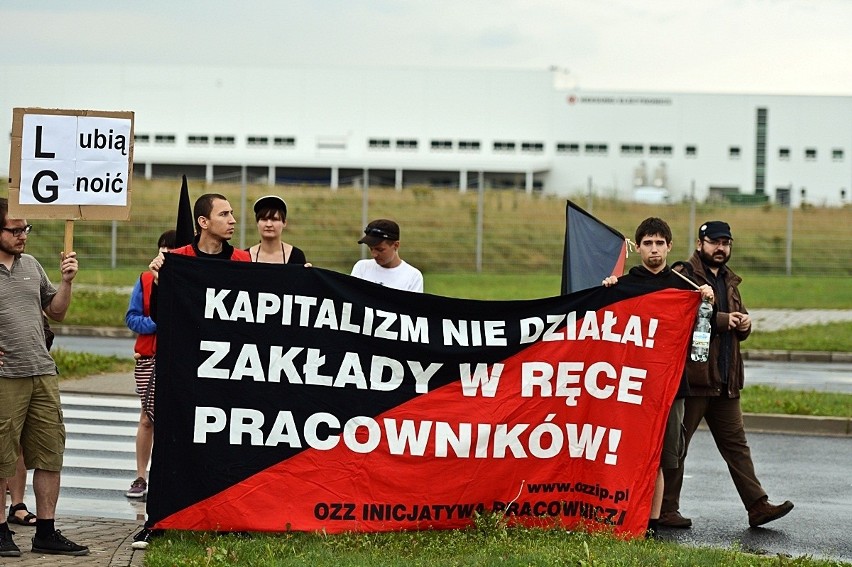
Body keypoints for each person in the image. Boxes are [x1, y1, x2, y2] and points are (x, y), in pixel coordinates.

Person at [660, 221, 793, 529]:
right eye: (713, 242)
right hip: (693, 381)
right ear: (699, 244)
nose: (720, 248)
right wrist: (722, 320)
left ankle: (757, 506)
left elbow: (738, 321)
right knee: (676, 449)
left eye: (725, 243)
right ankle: (666, 510)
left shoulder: (730, 281)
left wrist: (744, 325)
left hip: (724, 381)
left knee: (737, 446)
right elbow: (678, 318)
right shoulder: (684, 275)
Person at [136, 194, 251, 550]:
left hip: (229, 372)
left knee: (228, 444)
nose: (233, 219)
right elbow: (158, 314)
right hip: (183, 373)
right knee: (173, 444)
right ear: (203, 222)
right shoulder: (178, 261)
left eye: (232, 213)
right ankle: (160, 519)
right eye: (225, 214)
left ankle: (230, 517)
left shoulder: (243, 260)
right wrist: (158, 278)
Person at [602, 217, 714, 537]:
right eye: (647, 243)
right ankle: (619, 513)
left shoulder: (683, 286)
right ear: (638, 248)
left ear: (669, 246)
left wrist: (706, 301)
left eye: (659, 243)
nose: (654, 249)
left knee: (662, 458)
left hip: (669, 386)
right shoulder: (624, 285)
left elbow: (703, 332)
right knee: (625, 453)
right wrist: (606, 291)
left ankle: (650, 523)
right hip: (629, 386)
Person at [0, 198, 89, 557]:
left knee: (50, 453)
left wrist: (67, 282)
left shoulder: (32, 265)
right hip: (6, 378)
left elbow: (57, 311)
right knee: (2, 457)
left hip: (42, 372)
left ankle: (46, 532)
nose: (23, 235)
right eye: (15, 230)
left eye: (26, 229)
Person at [124, 230, 178, 499]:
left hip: (178, 358)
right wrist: (157, 321)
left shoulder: (188, 282)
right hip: (148, 359)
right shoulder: (145, 280)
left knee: (175, 420)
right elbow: (132, 317)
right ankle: (141, 476)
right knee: (147, 417)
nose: (165, 253)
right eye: (162, 248)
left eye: (171, 249)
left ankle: (169, 476)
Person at [351, 219, 423, 292]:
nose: (374, 254)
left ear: (396, 245)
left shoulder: (413, 276)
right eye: (371, 248)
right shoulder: (362, 268)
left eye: (380, 249)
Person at [247, 195, 307, 264]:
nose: (269, 224)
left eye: (274, 219)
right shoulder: (245, 256)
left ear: (284, 223)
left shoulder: (296, 256)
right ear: (257, 222)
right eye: (264, 219)